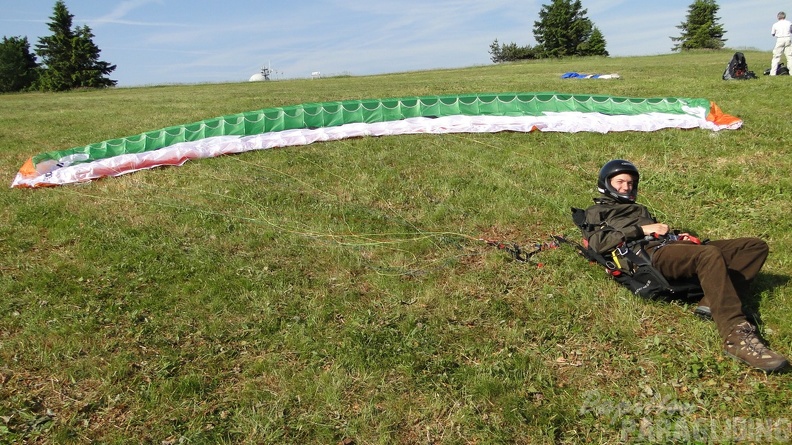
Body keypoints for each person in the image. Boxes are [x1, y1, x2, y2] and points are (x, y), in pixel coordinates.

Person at [582, 160, 788, 373]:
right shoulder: (597, 211)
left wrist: (678, 236)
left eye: (631, 183)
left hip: (669, 244)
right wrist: (641, 230)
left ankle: (711, 303)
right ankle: (736, 335)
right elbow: (598, 244)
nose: (626, 187)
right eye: (620, 182)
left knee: (753, 246)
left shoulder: (638, 208)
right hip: (650, 254)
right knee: (709, 255)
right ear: (606, 183)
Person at [770, 11, 792, 76]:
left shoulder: (775, 24)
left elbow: (773, 34)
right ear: (784, 16)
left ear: (778, 17)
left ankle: (773, 73)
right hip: (788, 38)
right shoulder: (789, 23)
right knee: (790, 57)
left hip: (780, 39)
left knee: (776, 57)